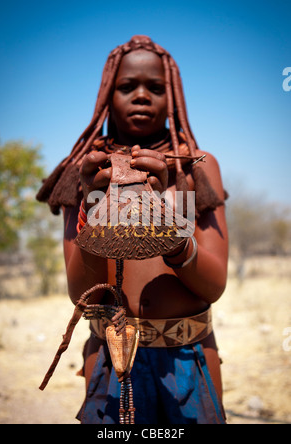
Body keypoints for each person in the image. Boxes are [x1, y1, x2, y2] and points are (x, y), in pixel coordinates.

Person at [37, 35, 228, 424]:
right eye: (128, 87)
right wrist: (93, 201)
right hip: (112, 357)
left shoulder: (194, 168)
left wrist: (171, 229)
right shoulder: (87, 170)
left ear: (171, 95)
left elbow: (214, 285)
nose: (142, 96)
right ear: (108, 93)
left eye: (155, 88)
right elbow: (82, 295)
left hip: (189, 356)